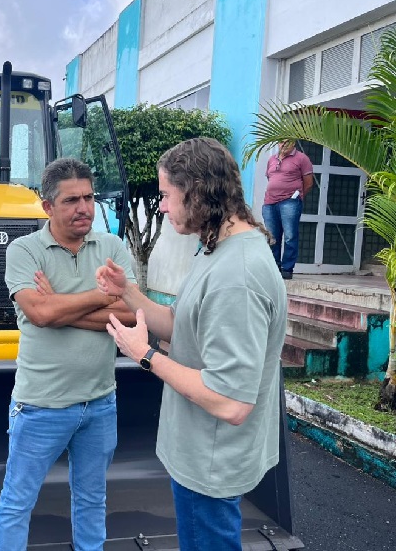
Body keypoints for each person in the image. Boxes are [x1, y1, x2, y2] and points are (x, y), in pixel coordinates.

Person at [97, 138, 287, 551]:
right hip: (199, 452)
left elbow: (231, 402)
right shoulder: (217, 248)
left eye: (166, 195)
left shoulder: (237, 275)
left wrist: (144, 355)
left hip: (210, 462)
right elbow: (181, 324)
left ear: (197, 191)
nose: (162, 207)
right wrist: (127, 291)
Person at [0, 158, 137, 551]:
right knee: (17, 501)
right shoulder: (24, 251)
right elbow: (40, 314)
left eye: (89, 198)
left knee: (93, 499)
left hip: (100, 402)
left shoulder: (111, 247)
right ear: (48, 206)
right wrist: (102, 297)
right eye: (72, 200)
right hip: (41, 406)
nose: (84, 208)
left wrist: (59, 304)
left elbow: (132, 314)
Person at [262, 139, 314, 279]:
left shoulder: (302, 158)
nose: (283, 144)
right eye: (280, 142)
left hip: (290, 202)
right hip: (270, 203)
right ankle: (274, 267)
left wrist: (296, 196)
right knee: (272, 237)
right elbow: (271, 179)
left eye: (287, 142)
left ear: (293, 143)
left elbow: (309, 183)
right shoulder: (272, 159)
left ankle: (287, 268)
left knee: (290, 236)